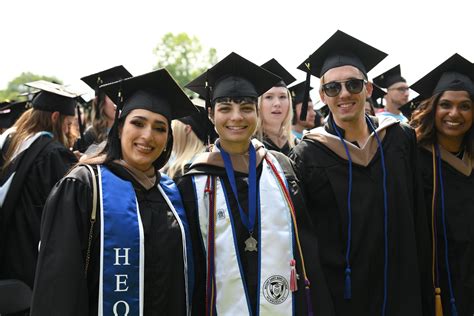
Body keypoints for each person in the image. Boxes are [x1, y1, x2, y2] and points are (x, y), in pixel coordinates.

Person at [30, 69, 198, 315]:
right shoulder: (84, 187)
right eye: (138, 123)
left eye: (160, 128)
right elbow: (58, 289)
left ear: (167, 139)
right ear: (119, 128)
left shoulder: (171, 194)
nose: (147, 135)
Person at [180, 52, 334, 315]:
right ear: (210, 113)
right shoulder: (192, 182)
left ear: (257, 112)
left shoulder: (282, 168)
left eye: (246, 108)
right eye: (225, 108)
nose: (236, 117)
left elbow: (305, 247)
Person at [291, 30, 432, 315]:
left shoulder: (400, 139)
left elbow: (419, 216)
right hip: (343, 297)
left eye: (353, 85)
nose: (344, 94)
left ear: (367, 90)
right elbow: (307, 242)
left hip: (402, 291)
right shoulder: (308, 155)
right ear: (322, 95)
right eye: (333, 88)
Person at [0, 80, 78, 296]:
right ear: (55, 117)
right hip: (32, 260)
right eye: (68, 123)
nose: (69, 129)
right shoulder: (52, 153)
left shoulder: (12, 143)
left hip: (9, 254)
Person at [410, 53, 474, 316]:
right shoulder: (413, 159)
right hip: (432, 286)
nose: (454, 114)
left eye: (465, 106)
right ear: (433, 108)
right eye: (445, 104)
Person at [74, 65, 132, 153]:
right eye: (113, 97)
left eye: (121, 96)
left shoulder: (128, 133)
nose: (118, 102)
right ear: (99, 101)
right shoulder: (89, 137)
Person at [256, 58, 298, 155]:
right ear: (258, 103)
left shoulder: (297, 144)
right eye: (269, 97)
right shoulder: (251, 146)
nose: (277, 103)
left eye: (282, 97)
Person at [163, 105, 216, 179]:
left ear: (187, 129)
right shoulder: (212, 161)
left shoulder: (184, 171)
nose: (169, 134)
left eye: (173, 127)